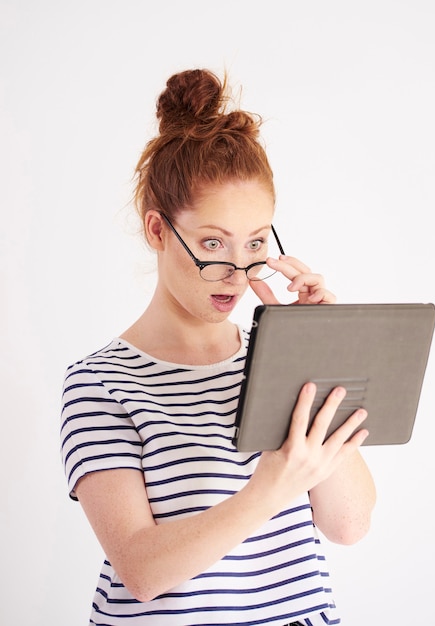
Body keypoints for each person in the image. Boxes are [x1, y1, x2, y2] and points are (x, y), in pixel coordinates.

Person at [60, 68, 376, 626]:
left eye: (255, 242)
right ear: (157, 231)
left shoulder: (278, 360)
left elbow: (349, 524)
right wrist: (271, 486)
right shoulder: (101, 383)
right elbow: (142, 571)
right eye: (212, 243)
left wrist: (314, 352)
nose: (236, 271)